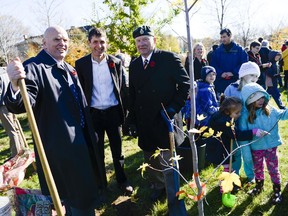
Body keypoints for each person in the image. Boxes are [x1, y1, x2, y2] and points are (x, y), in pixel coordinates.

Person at [5, 26, 106, 215]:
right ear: (44, 43)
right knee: (73, 198)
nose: (63, 44)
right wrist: (14, 84)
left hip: (82, 143)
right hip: (61, 150)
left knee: (84, 193)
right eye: (57, 40)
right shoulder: (34, 68)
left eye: (66, 40)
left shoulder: (68, 68)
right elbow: (20, 104)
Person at [128, 25, 189, 215]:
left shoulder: (168, 58)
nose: (142, 44)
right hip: (145, 121)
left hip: (165, 119)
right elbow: (132, 94)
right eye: (138, 41)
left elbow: (185, 84)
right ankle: (158, 186)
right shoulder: (135, 64)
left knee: (169, 163)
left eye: (145, 39)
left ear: (154, 40)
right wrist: (132, 119)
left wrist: (172, 109)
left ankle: (174, 202)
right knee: (150, 159)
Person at [75, 27, 133, 195]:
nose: (99, 46)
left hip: (113, 113)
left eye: (102, 42)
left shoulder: (115, 62)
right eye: (95, 42)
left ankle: (122, 180)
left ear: (106, 43)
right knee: (96, 152)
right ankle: (101, 185)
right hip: (93, 115)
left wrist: (127, 115)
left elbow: (123, 89)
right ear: (89, 43)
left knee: (118, 152)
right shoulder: (81, 64)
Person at [239, 82, 288, 204]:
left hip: (271, 146)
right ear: (249, 101)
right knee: (258, 168)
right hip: (256, 147)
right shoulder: (245, 116)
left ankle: (276, 190)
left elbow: (282, 115)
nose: (261, 101)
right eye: (257, 99)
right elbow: (243, 134)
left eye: (262, 97)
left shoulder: (269, 109)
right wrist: (254, 132)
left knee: (273, 168)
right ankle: (259, 186)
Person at [206, 97, 264, 176]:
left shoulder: (218, 115)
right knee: (227, 168)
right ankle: (224, 186)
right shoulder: (225, 123)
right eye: (237, 113)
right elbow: (237, 135)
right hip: (220, 149)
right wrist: (253, 132)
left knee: (228, 167)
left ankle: (226, 184)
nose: (239, 114)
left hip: (216, 146)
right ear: (227, 112)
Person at [224, 61, 260, 183]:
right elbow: (225, 105)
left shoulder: (256, 89)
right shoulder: (232, 89)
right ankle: (235, 175)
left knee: (249, 152)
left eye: (256, 76)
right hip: (234, 126)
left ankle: (251, 175)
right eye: (252, 75)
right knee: (236, 152)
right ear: (243, 75)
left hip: (250, 125)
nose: (255, 79)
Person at [210, 28, 248, 94]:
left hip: (236, 82)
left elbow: (244, 64)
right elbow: (213, 64)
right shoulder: (217, 51)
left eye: (224, 37)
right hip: (221, 83)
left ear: (230, 36)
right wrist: (221, 73)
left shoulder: (239, 50)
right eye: (221, 37)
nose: (222, 39)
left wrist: (233, 72)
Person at [0, 69, 26, 158]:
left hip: (3, 105)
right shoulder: (5, 72)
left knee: (11, 130)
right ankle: (22, 149)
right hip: (10, 102)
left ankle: (16, 155)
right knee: (16, 128)